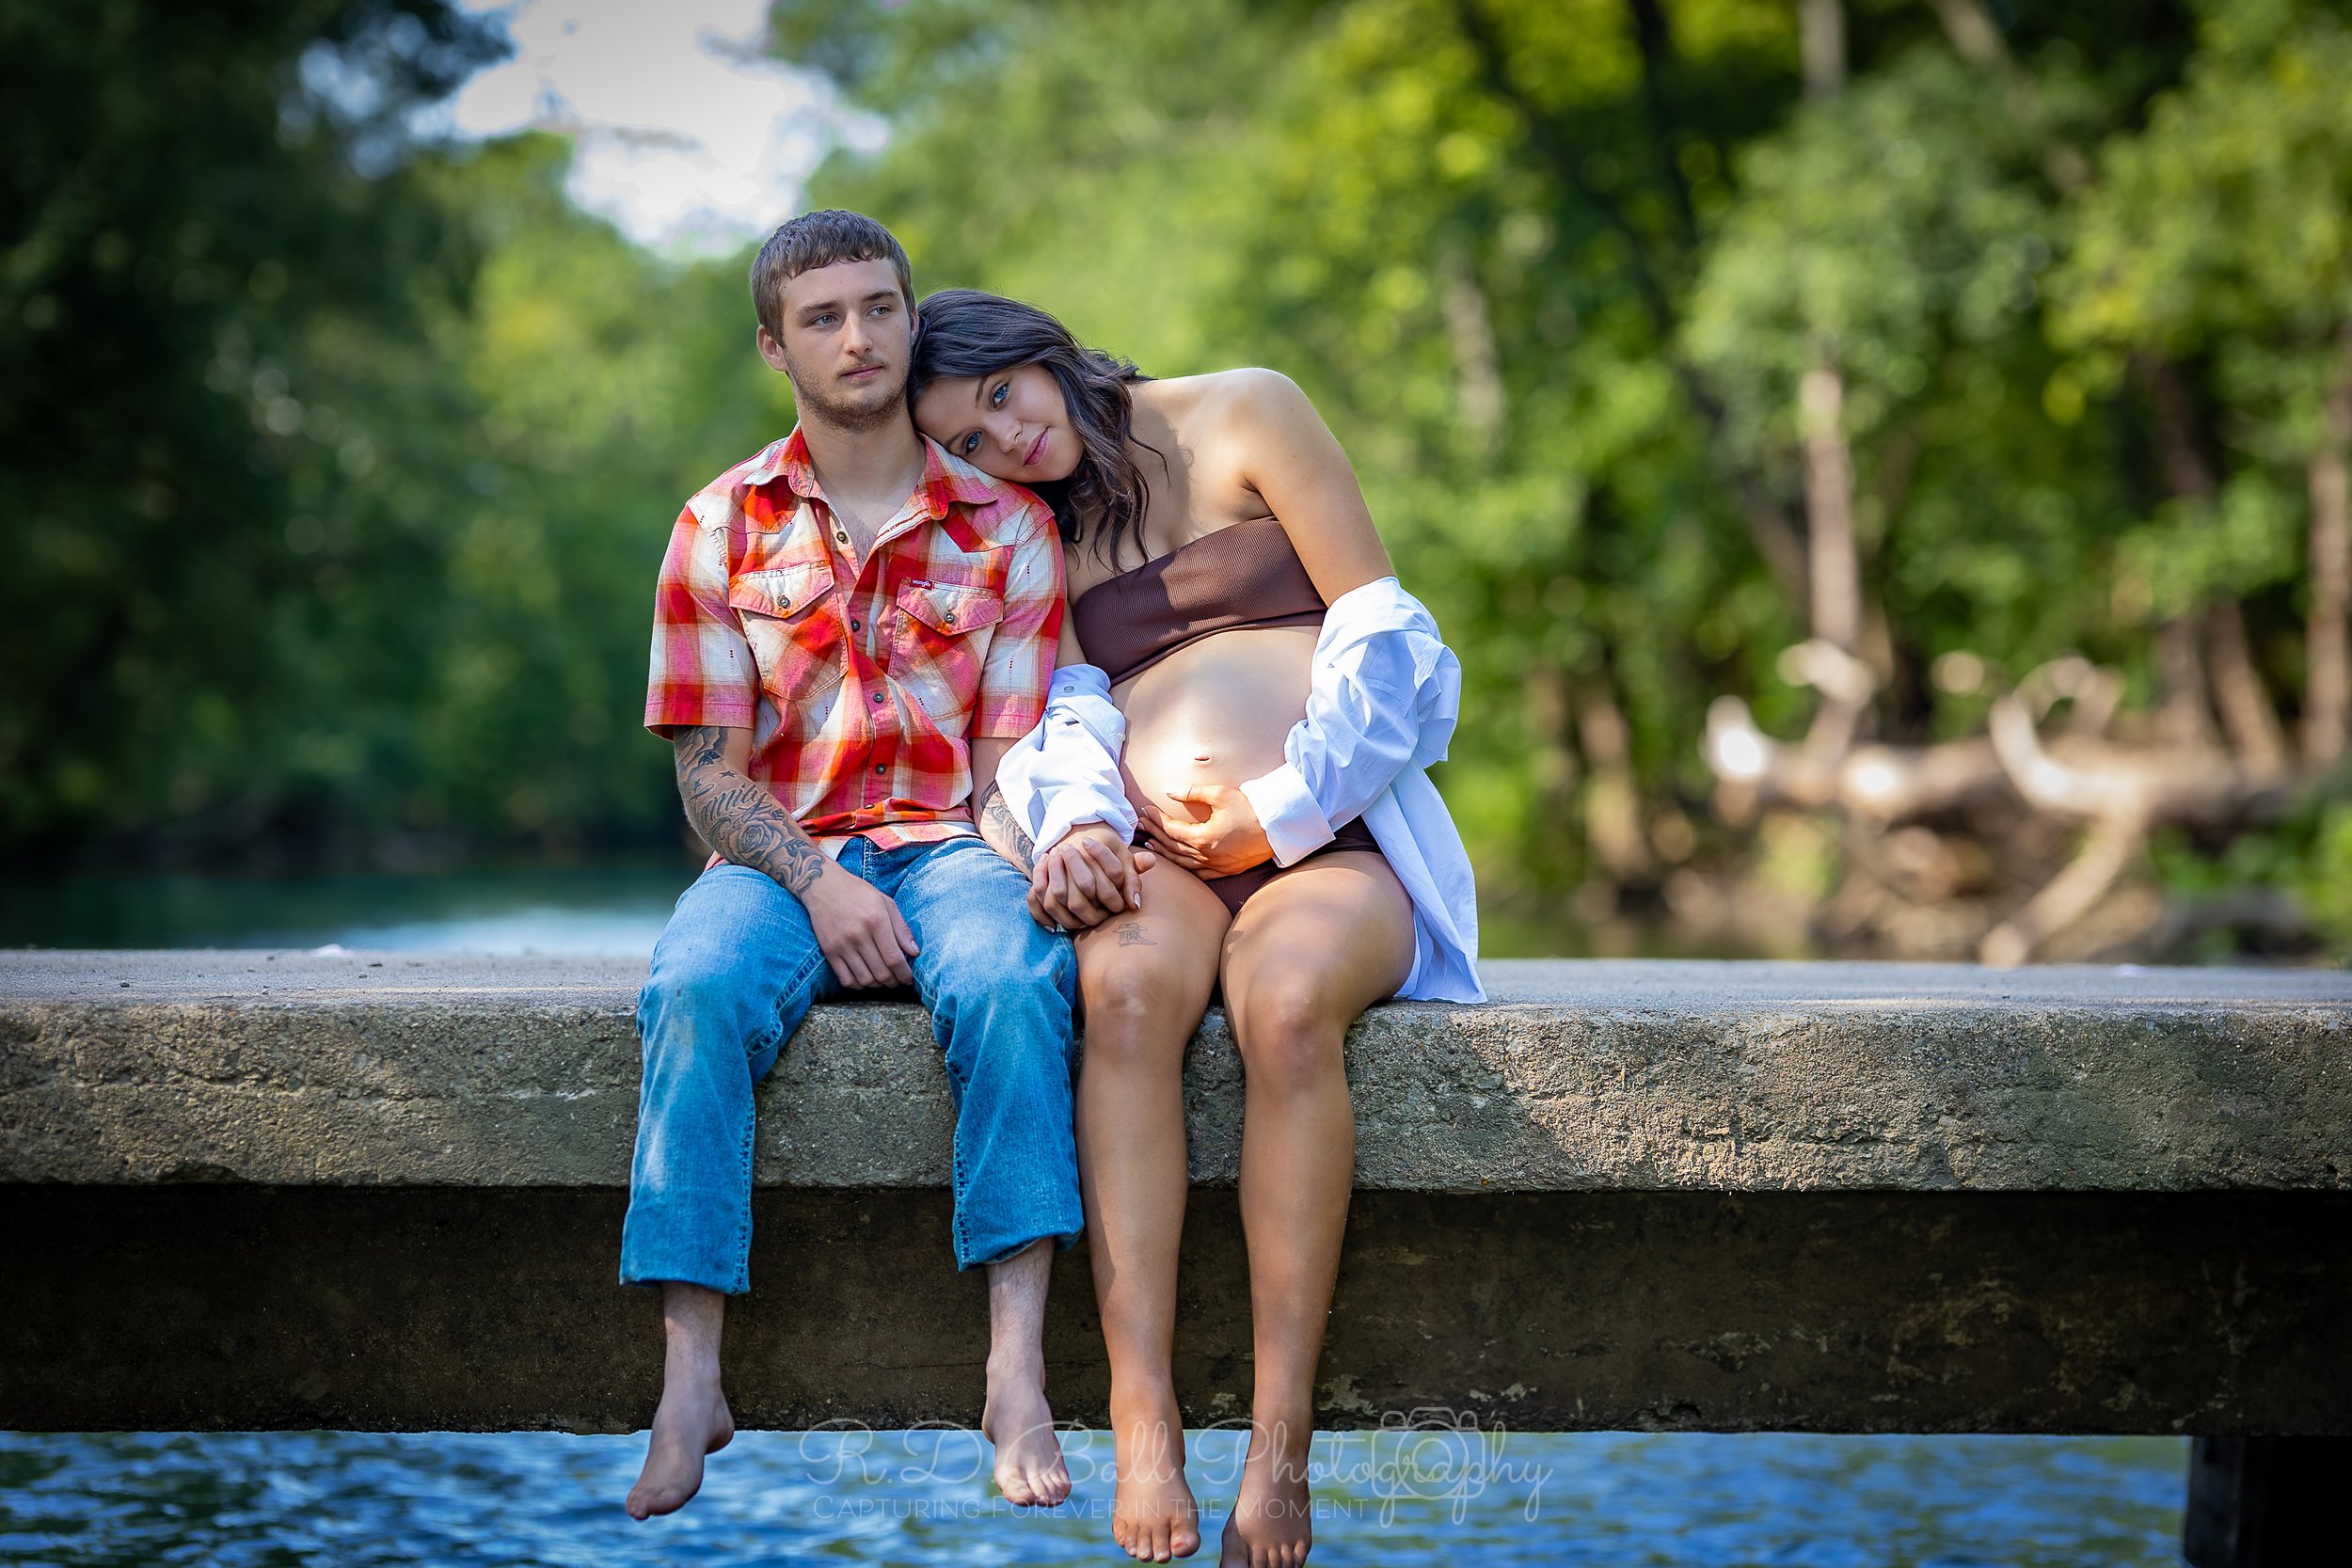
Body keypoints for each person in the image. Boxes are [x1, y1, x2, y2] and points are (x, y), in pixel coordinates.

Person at [912, 291, 1483, 1568]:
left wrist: (1274, 814)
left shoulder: (1245, 408)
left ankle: (1280, 1453)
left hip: (1334, 836)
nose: (1005, 442)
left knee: (1284, 1012)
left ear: (1039, 351)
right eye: (967, 440)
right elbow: (1055, 710)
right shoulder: (1029, 534)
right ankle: (1141, 1410)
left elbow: (1389, 643)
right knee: (1118, 999)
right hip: (1158, 852)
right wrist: (1074, 831)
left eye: (1003, 397)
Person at [619, 215, 1149, 1522]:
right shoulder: (719, 524)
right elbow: (705, 774)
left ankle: (1014, 1370)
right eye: (822, 316)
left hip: (953, 844)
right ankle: (691, 1375)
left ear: (912, 321)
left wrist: (1049, 859)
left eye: (878, 308)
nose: (856, 336)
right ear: (774, 343)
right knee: (690, 984)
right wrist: (818, 884)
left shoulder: (1010, 529)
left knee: (1019, 982)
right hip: (777, 858)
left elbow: (1010, 765)